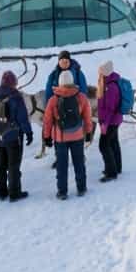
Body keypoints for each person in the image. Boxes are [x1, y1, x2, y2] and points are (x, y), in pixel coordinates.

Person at [43, 69, 94, 200]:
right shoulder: (81, 97)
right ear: (72, 82)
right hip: (77, 136)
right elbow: (88, 118)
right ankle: (81, 188)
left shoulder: (53, 100)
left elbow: (47, 121)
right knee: (79, 163)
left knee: (61, 165)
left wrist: (47, 137)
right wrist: (88, 133)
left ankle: (62, 192)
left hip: (60, 138)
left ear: (59, 83)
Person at [0, 70, 33, 202]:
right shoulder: (15, 96)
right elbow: (22, 117)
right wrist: (28, 132)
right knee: (13, 165)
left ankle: (1, 192)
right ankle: (14, 193)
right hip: (13, 136)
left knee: (1, 164)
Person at [96, 60, 124, 182]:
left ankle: (111, 172)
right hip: (114, 120)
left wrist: (104, 124)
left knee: (103, 145)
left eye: (101, 71)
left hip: (110, 121)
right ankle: (117, 167)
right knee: (113, 143)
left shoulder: (111, 87)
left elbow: (110, 108)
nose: (99, 74)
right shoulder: (108, 82)